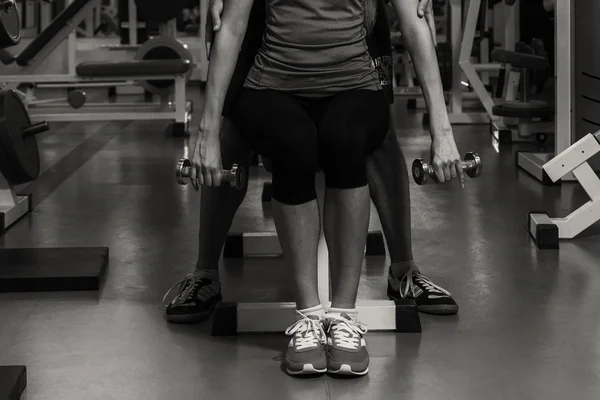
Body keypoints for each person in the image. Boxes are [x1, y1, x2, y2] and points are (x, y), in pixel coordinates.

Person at [163, 0, 463, 376]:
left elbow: (414, 25)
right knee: (238, 129)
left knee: (364, 132)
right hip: (270, 42)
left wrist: (443, 130)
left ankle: (399, 273)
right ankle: (206, 272)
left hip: (352, 37)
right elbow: (233, 30)